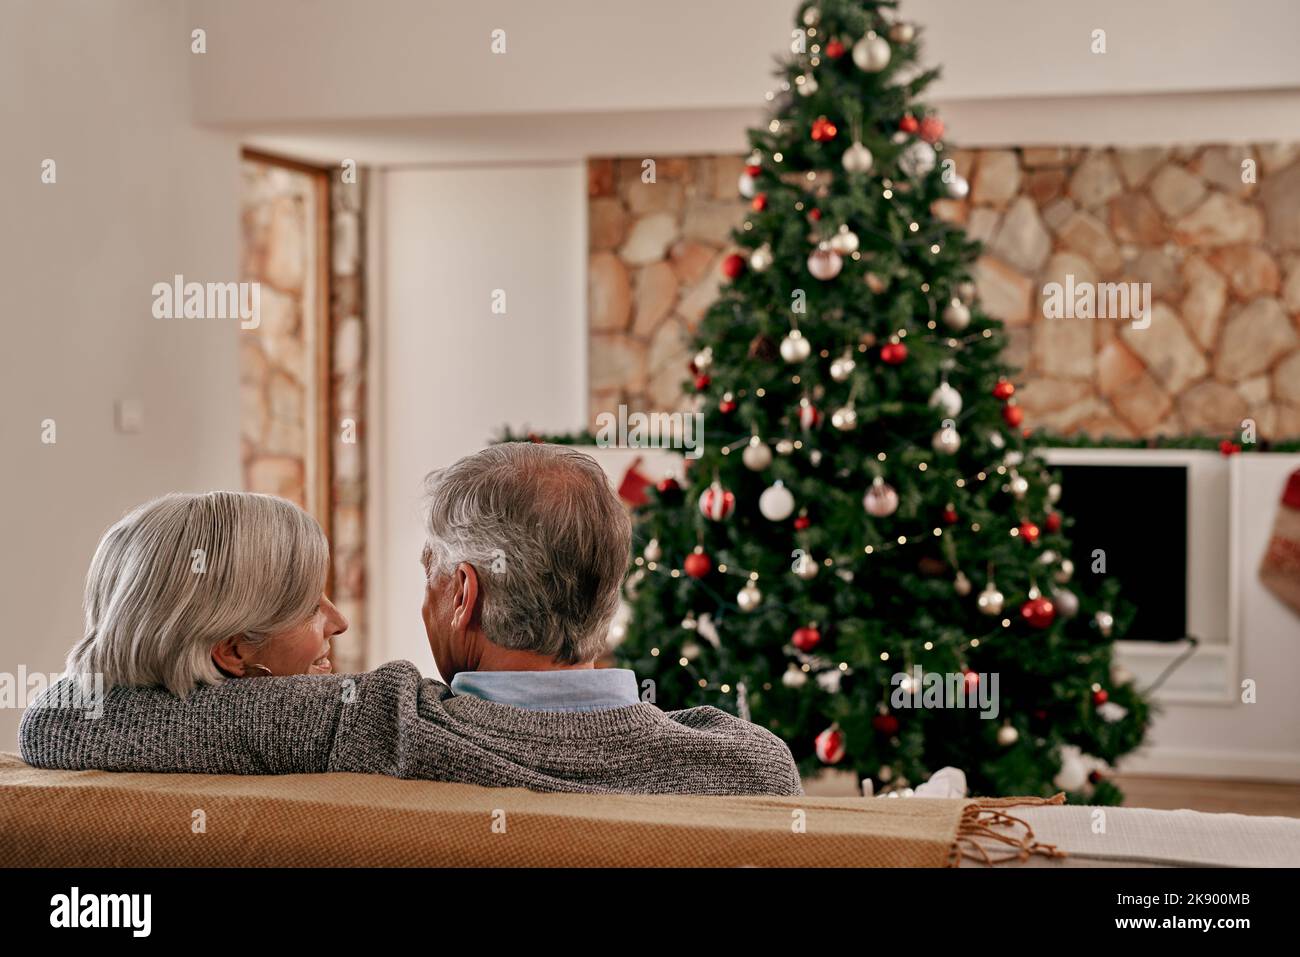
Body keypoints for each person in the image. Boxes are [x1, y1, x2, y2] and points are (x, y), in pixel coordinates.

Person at [21, 445, 803, 795]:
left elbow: (60, 721)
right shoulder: (750, 765)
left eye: (429, 577)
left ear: (463, 597)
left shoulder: (377, 728)